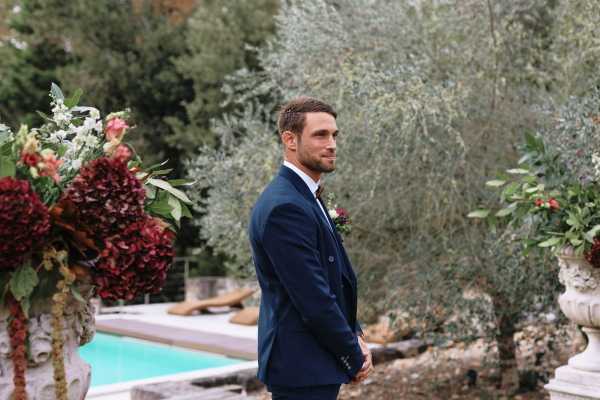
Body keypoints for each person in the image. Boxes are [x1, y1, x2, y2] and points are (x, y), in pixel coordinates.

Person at [248, 97, 373, 399]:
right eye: (320, 135)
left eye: (334, 135)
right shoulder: (284, 207)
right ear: (289, 139)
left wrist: (355, 334)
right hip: (300, 365)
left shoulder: (304, 195)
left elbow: (334, 276)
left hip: (313, 361)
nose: (331, 144)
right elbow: (312, 296)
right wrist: (351, 354)